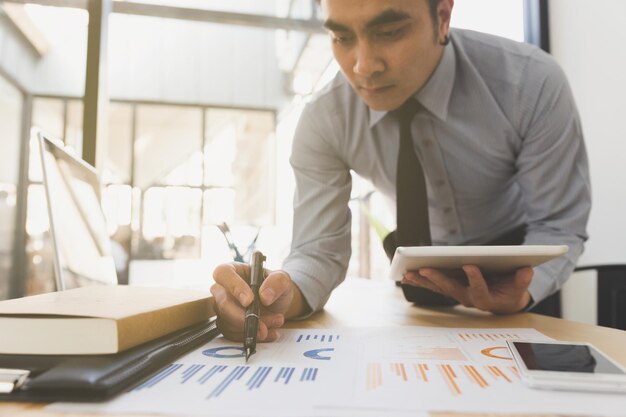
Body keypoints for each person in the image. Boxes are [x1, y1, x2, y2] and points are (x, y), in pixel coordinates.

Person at [211, 0, 591, 342]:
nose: (363, 66)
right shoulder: (325, 119)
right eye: (342, 37)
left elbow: (557, 224)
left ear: (442, 17)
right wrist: (280, 295)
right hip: (420, 293)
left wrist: (527, 288)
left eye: (390, 32)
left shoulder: (530, 82)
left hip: (521, 278)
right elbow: (318, 251)